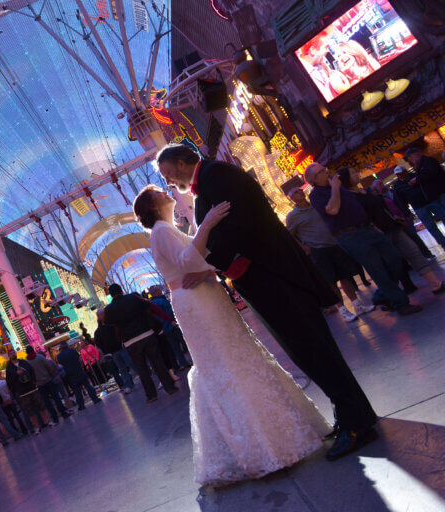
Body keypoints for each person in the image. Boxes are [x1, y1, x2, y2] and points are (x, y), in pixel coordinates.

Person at [156, 144, 377, 462]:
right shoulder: (209, 183)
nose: (169, 181)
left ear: (180, 162)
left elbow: (236, 227)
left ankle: (357, 424)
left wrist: (210, 265)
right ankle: (353, 414)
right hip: (264, 277)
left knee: (314, 349)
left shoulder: (216, 176)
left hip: (272, 275)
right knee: (307, 351)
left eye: (167, 173)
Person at [134, 183, 334, 486]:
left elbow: (199, 257)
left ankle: (269, 442)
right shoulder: (161, 231)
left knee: (232, 356)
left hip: (202, 294)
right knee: (226, 360)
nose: (166, 192)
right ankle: (264, 446)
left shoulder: (167, 229)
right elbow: (189, 260)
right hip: (196, 300)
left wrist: (206, 263)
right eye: (158, 193)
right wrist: (209, 223)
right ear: (151, 207)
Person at [305, 163, 421, 316]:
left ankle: (381, 296)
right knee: (376, 268)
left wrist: (372, 224)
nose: (327, 172)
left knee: (395, 259)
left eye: (326, 169)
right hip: (350, 234)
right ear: (314, 179)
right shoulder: (316, 195)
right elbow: (333, 209)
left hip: (367, 228)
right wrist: (334, 188)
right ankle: (401, 304)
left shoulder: (340, 187)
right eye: (322, 171)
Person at [336, 167, 444, 296]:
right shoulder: (350, 197)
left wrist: (395, 217)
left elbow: (382, 206)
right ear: (346, 179)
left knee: (413, 251)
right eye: (353, 173)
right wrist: (375, 228)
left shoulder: (366, 191)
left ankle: (435, 283)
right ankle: (387, 295)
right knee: (394, 262)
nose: (356, 173)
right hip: (378, 233)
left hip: (392, 226)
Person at [285, 187, 375, 322]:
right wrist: (304, 247)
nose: (300, 192)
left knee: (345, 276)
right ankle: (343, 310)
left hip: (333, 244)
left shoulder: (315, 206)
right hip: (317, 249)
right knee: (331, 282)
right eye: (296, 192)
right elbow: (290, 235)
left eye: (300, 190)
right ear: (291, 198)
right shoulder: (292, 216)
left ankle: (357, 305)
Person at [104, 284, 179, 402]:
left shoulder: (109, 309)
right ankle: (170, 387)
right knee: (157, 362)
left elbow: (107, 322)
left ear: (110, 294)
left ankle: (151, 395)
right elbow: (148, 306)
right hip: (147, 334)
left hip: (130, 341)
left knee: (141, 368)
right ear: (121, 291)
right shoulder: (133, 298)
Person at [371, 178, 434, 259]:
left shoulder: (392, 192)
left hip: (403, 217)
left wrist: (407, 212)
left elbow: (402, 202)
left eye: (380, 184)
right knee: (408, 240)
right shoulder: (382, 197)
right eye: (378, 186)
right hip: (397, 221)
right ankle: (420, 257)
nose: (381, 186)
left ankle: (426, 254)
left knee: (413, 236)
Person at [392, 163, 445, 251]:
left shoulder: (415, 176)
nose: (400, 175)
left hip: (430, 201)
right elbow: (400, 200)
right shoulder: (397, 186)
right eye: (398, 174)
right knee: (431, 227)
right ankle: (443, 243)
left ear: (405, 172)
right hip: (419, 207)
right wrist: (407, 212)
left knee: (443, 217)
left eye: (401, 173)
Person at [23, 346, 69, 426]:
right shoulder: (40, 357)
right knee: (56, 398)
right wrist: (51, 375)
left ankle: (55, 418)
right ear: (33, 350)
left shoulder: (27, 363)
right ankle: (63, 413)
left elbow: (28, 375)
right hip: (48, 380)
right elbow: (49, 366)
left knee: (47, 402)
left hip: (39, 385)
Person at [148, 286, 192, 369]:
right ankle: (193, 359)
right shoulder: (161, 301)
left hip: (164, 329)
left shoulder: (152, 304)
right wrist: (174, 320)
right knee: (185, 342)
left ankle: (183, 364)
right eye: (158, 290)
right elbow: (170, 312)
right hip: (171, 325)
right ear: (155, 292)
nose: (160, 291)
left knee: (175, 348)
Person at [93, 310, 133, 393]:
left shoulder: (113, 324)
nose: (102, 315)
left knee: (131, 364)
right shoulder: (100, 330)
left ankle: (143, 377)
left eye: (102, 313)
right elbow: (98, 343)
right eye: (100, 314)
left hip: (121, 348)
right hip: (113, 352)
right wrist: (106, 351)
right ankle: (128, 385)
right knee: (122, 368)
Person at [56, 341, 101, 410]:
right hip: (79, 371)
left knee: (77, 391)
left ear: (61, 348)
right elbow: (79, 359)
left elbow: (61, 366)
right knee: (87, 385)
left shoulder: (59, 356)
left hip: (70, 375)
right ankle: (95, 399)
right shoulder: (73, 350)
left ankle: (81, 405)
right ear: (67, 345)